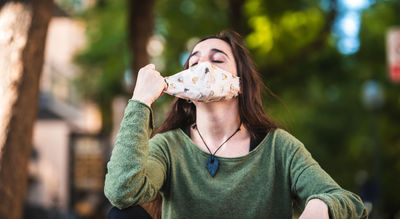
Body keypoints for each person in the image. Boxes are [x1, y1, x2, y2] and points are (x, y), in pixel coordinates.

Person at [104, 30, 368, 219]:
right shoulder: (168, 147)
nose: (202, 66)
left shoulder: (279, 148)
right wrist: (140, 101)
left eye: (217, 59)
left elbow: (350, 203)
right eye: (193, 62)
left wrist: (321, 205)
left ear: (239, 85)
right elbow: (122, 191)